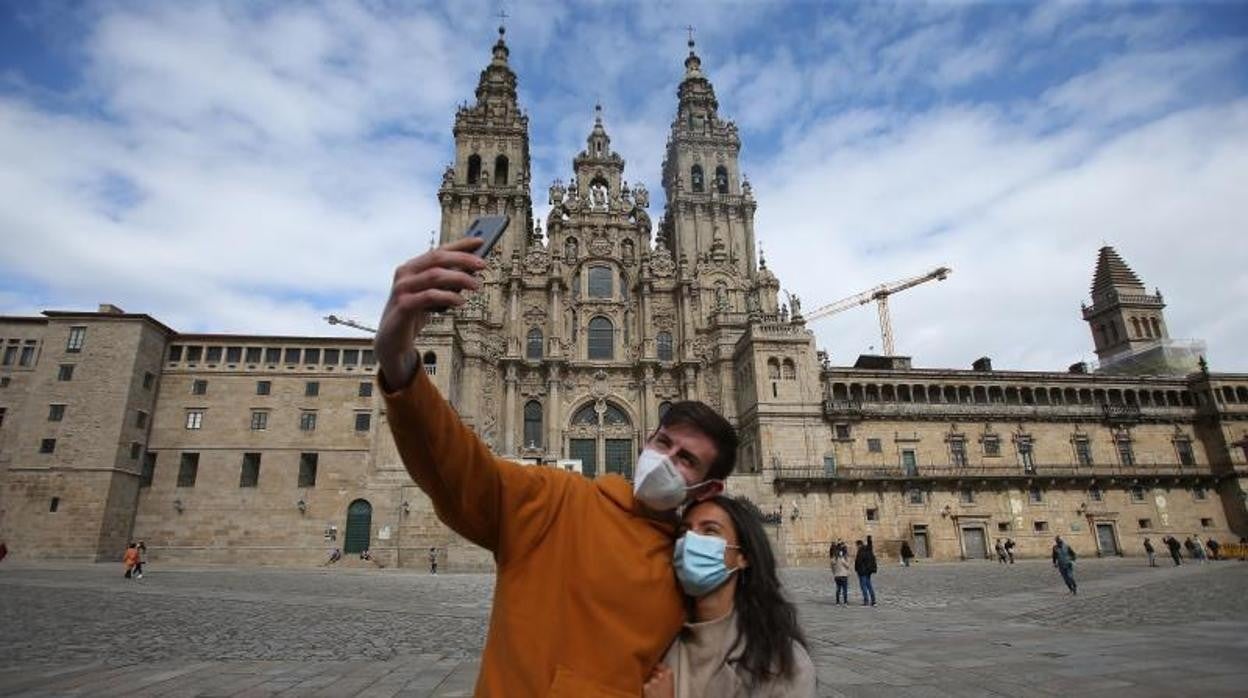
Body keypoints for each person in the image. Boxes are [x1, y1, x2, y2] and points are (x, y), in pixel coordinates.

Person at [375, 236, 740, 696]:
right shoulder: (554, 502)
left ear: (709, 489)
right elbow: (459, 471)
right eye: (663, 442)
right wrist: (400, 364)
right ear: (647, 437)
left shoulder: (696, 567)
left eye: (685, 459)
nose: (663, 460)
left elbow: (731, 670)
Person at [643, 496, 815, 697]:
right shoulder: (655, 641)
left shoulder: (783, 663)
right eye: (684, 532)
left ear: (743, 556)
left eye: (710, 530)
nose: (691, 540)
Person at [854, 537, 877, 606]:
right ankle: (873, 601)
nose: (856, 547)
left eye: (856, 546)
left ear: (859, 545)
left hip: (862, 571)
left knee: (863, 586)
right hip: (868, 571)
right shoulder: (868, 549)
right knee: (869, 585)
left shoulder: (861, 551)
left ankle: (866, 601)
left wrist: (857, 569)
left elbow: (859, 562)